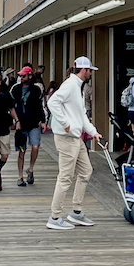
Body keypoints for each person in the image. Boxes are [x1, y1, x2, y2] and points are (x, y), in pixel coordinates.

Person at [45, 56, 104, 230]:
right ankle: (55, 217)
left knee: (86, 171)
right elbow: (52, 102)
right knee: (65, 177)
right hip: (66, 138)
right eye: (90, 71)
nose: (91, 74)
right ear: (84, 70)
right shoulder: (71, 85)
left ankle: (76, 212)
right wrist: (65, 123)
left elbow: (81, 115)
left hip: (75, 138)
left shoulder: (77, 86)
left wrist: (93, 132)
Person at [10, 66, 46, 187]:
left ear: (30, 76)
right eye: (20, 76)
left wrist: (43, 121)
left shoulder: (36, 90)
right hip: (21, 123)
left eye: (23, 76)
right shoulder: (15, 89)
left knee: (35, 147)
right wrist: (15, 121)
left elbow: (39, 106)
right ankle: (20, 176)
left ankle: (30, 169)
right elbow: (11, 106)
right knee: (21, 151)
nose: (21, 78)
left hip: (34, 123)